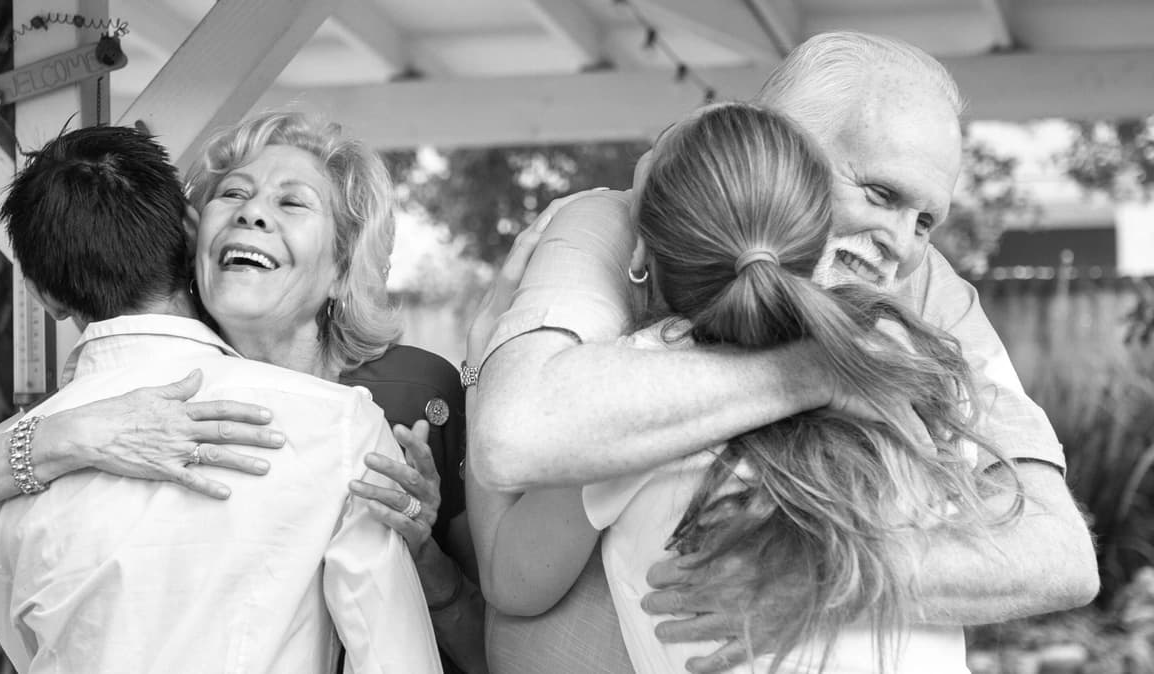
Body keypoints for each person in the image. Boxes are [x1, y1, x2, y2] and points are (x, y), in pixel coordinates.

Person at [469, 31, 1098, 673]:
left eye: (926, 220)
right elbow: (515, 435)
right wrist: (815, 371)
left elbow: (1059, 554)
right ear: (776, 143)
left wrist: (832, 581)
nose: (905, 247)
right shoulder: (617, 224)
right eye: (880, 193)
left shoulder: (924, 304)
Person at [0, 111, 492, 672]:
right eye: (234, 193)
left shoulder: (408, 397)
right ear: (191, 238)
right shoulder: (338, 425)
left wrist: (421, 549)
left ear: (342, 268)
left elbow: (496, 645)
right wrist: (58, 438)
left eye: (292, 202)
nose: (253, 213)